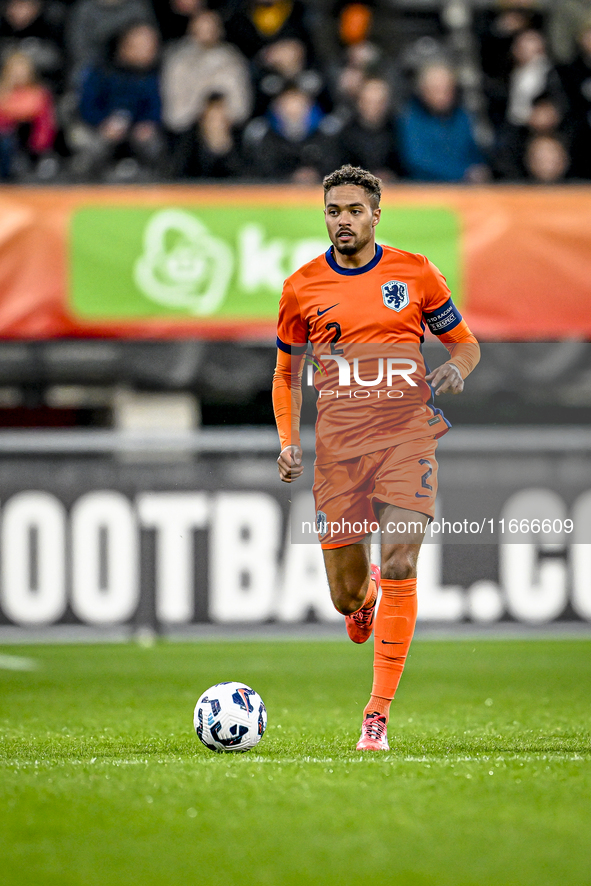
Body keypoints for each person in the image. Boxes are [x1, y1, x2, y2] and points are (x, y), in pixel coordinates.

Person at [272, 164, 479, 751]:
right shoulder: (301, 287)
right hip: (339, 454)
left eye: (353, 210)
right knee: (346, 593)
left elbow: (465, 343)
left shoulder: (415, 274)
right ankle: (361, 607)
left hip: (407, 438)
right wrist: (288, 439)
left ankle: (376, 716)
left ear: (375, 214)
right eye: (334, 211)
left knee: (400, 564)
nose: (343, 220)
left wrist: (455, 369)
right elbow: (286, 374)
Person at [397, 62, 487, 182]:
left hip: (465, 191)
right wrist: (463, 173)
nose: (442, 96)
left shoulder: (463, 116)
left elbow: (474, 153)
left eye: (447, 89)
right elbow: (415, 161)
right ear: (423, 91)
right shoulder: (409, 118)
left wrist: (480, 169)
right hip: (424, 189)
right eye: (436, 89)